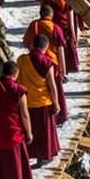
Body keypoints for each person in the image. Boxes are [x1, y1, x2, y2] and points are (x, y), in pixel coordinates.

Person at [17, 35, 61, 164]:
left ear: (33, 45)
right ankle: (43, 157)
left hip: (26, 102)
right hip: (43, 102)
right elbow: (52, 85)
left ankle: (27, 155)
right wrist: (56, 103)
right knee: (44, 134)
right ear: (45, 47)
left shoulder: (21, 60)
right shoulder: (47, 63)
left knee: (29, 130)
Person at [23, 4, 69, 123]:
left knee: (38, 88)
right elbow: (60, 50)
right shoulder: (55, 27)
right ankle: (58, 118)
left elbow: (26, 42)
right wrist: (63, 71)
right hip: (52, 62)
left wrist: (31, 51)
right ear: (51, 15)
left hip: (34, 61)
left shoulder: (34, 25)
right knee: (55, 90)